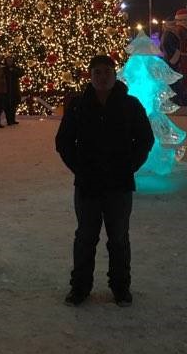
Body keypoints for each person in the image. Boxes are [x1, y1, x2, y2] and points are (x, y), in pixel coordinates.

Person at [55, 54, 154, 307]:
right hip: (88, 185)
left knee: (119, 238)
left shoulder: (130, 105)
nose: (102, 77)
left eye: (106, 72)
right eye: (97, 72)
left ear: (114, 74)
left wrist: (129, 166)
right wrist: (79, 167)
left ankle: (120, 287)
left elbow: (145, 139)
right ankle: (80, 287)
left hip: (118, 186)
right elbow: (64, 141)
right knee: (85, 237)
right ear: (91, 75)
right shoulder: (78, 105)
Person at [160, 9, 187, 109]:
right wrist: (177, 58)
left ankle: (182, 102)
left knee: (180, 82)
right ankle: (181, 102)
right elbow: (168, 46)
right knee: (178, 83)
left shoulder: (178, 31)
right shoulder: (175, 31)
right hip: (178, 62)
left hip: (180, 61)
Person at [3, 55, 24, 125]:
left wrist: (13, 71)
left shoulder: (15, 68)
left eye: (11, 61)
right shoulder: (4, 69)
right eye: (8, 61)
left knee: (13, 105)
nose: (10, 62)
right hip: (7, 90)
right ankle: (9, 120)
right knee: (7, 106)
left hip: (14, 90)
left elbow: (21, 73)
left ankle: (12, 119)